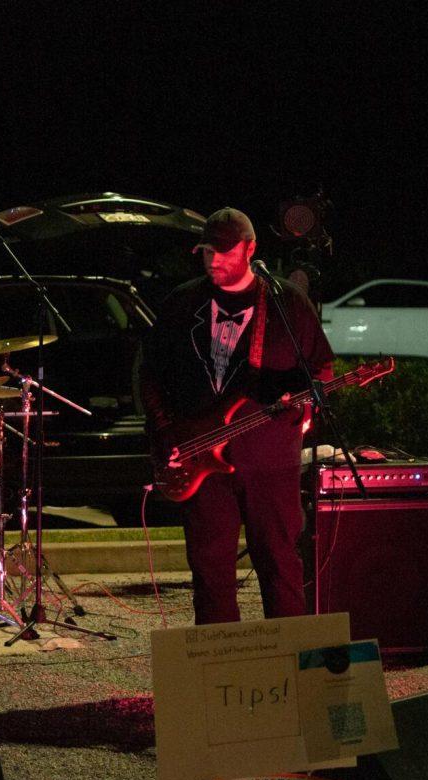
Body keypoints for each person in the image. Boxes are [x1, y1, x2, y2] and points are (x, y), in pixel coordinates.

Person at [139, 208, 333, 626]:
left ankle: (289, 664)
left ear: (251, 249)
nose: (214, 261)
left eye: (225, 252)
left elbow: (321, 368)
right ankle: (218, 670)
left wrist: (305, 408)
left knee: (280, 565)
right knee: (210, 572)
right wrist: (166, 430)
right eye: (208, 251)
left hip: (269, 460)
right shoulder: (183, 301)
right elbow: (149, 372)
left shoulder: (286, 303)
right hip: (202, 461)